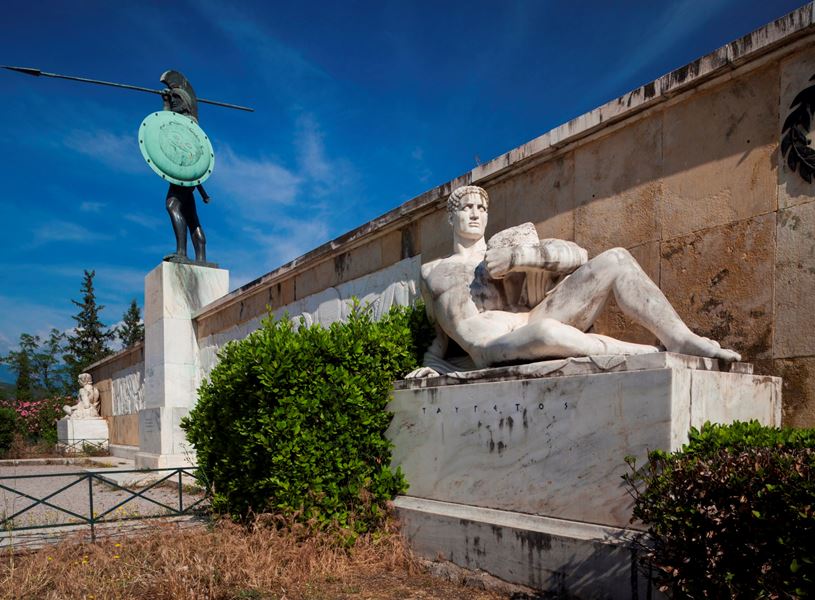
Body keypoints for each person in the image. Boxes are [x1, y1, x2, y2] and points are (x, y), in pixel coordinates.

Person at [410, 185, 740, 377]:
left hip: (533, 318)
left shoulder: (502, 249)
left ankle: (679, 339)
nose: (475, 214)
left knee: (616, 259)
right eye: (466, 207)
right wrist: (433, 366)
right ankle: (652, 355)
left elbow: (576, 256)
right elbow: (441, 332)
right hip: (489, 347)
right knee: (545, 332)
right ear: (450, 217)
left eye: (481, 208)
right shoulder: (432, 272)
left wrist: (518, 259)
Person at [159, 70, 210, 263]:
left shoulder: (187, 125)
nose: (172, 104)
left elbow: (165, 128)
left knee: (172, 205)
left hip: (183, 175)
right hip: (186, 177)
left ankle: (182, 252)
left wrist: (165, 105)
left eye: (174, 102)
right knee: (191, 217)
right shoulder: (189, 123)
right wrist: (203, 193)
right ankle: (201, 258)